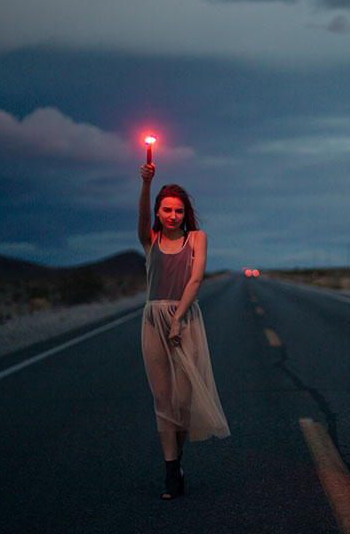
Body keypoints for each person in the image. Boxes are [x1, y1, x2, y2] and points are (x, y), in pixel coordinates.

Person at [138, 162, 230, 501]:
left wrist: (177, 319)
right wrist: (146, 184)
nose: (173, 216)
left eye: (178, 210)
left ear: (185, 213)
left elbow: (196, 279)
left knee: (183, 402)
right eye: (166, 210)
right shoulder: (151, 240)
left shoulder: (197, 239)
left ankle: (176, 461)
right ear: (158, 212)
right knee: (163, 401)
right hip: (153, 321)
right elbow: (141, 218)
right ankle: (171, 471)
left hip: (185, 319)